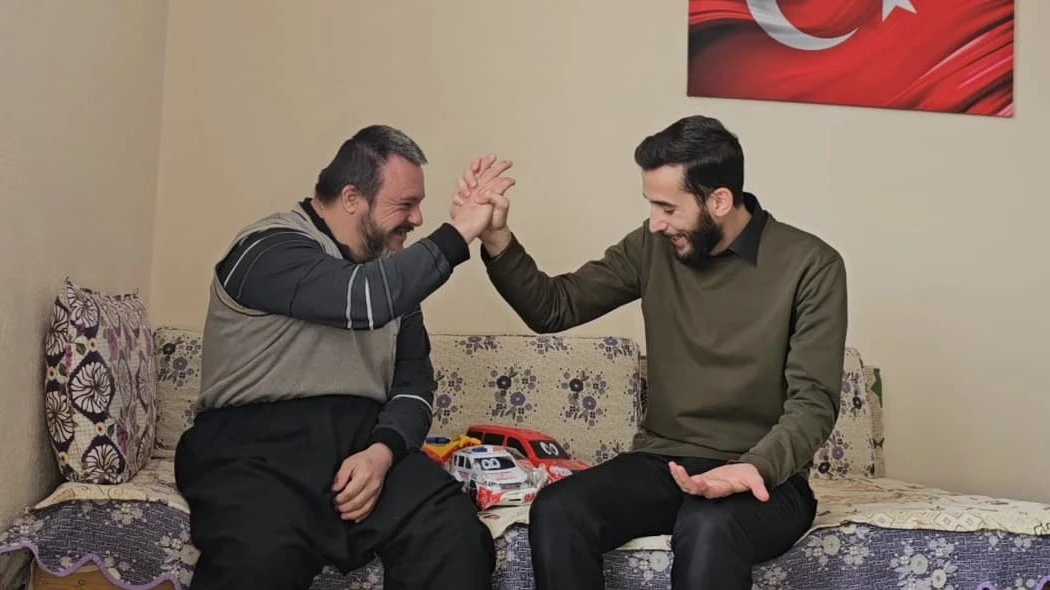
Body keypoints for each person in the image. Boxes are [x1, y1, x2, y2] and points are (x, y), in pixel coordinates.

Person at [455, 115, 848, 589]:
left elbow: (813, 404)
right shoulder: (652, 246)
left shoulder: (812, 265)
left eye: (667, 207)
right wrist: (496, 238)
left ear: (719, 201)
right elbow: (555, 307)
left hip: (765, 476)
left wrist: (753, 466)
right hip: (664, 461)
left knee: (708, 527)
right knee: (560, 508)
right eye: (651, 205)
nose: (656, 222)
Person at [174, 124, 516, 590]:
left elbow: (414, 384)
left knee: (453, 535)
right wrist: (459, 232)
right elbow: (359, 300)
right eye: (406, 204)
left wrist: (382, 451)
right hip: (254, 449)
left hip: (361, 444)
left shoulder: (394, 279)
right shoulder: (266, 249)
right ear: (353, 197)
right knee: (260, 558)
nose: (418, 219)